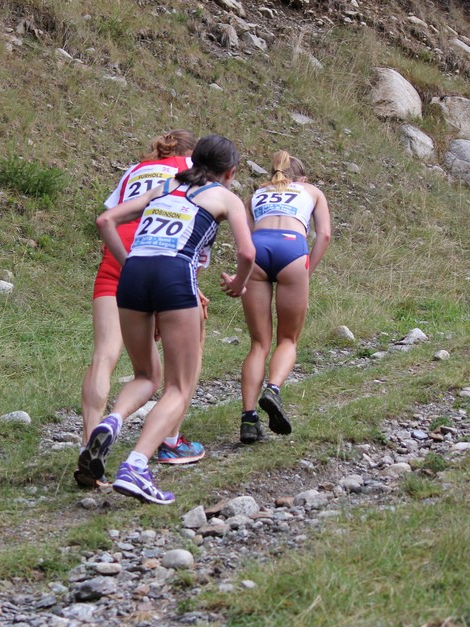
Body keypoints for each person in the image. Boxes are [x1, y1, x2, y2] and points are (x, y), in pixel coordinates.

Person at [83, 134, 255, 505]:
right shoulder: (226, 197)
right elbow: (247, 251)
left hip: (132, 275)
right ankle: (136, 466)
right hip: (176, 274)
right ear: (231, 172)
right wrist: (239, 285)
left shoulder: (166, 185)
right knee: (179, 385)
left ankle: (111, 422)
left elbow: (106, 219)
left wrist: (129, 263)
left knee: (146, 375)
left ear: (194, 162)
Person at [75, 130, 210, 489]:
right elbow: (194, 222)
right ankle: (170, 440)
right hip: (163, 260)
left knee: (104, 354)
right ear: (191, 152)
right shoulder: (192, 169)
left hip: (116, 260)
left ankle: (91, 444)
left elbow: (111, 216)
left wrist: (125, 264)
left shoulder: (134, 170)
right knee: (184, 356)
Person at [229, 151, 331, 444]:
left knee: (259, 343)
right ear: (302, 179)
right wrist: (307, 268)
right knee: (288, 339)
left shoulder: (257, 193)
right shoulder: (312, 191)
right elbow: (323, 235)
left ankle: (248, 419)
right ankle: (273, 389)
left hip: (258, 251)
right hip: (292, 250)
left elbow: (244, 238)